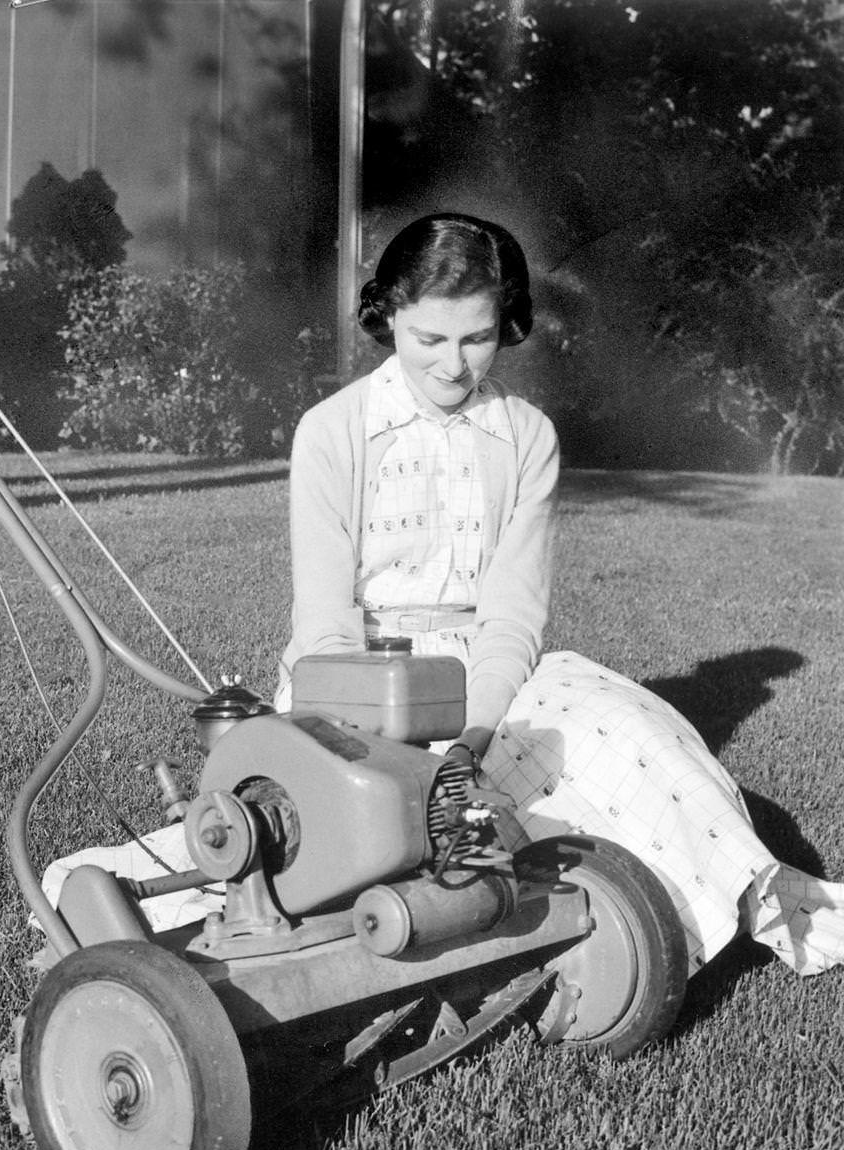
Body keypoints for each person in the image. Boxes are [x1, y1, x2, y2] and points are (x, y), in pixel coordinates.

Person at [277, 211, 844, 978]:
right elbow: (323, 623)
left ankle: (727, 909)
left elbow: (513, 615)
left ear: (507, 325)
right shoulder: (332, 432)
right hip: (355, 680)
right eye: (429, 339)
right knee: (395, 811)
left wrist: (473, 736)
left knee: (630, 729)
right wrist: (374, 738)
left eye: (476, 338)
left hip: (487, 671)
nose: (453, 364)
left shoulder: (526, 436)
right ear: (389, 316)